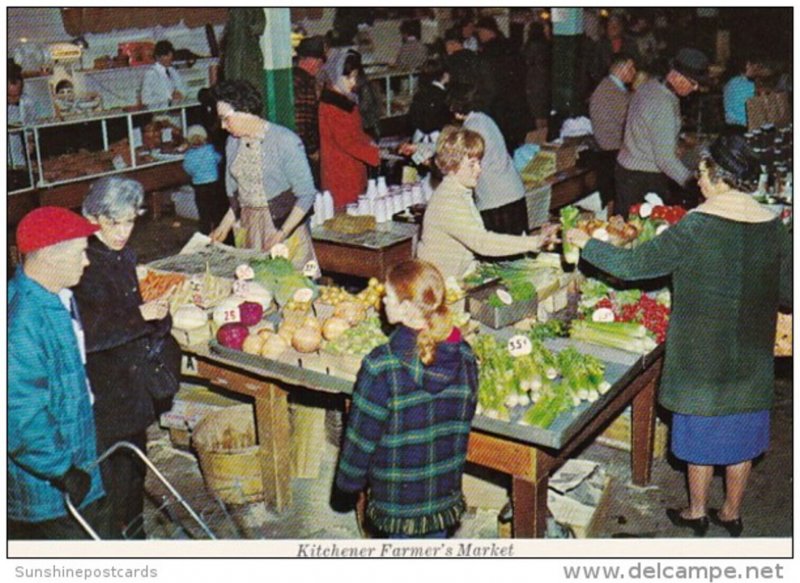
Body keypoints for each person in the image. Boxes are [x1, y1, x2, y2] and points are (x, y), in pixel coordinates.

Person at [566, 134, 793, 538]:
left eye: (702, 173)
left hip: (700, 360)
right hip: (751, 358)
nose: (698, 181)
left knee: (701, 438)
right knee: (742, 436)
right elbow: (788, 292)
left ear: (717, 175)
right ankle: (732, 512)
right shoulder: (775, 229)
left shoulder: (697, 226)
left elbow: (635, 265)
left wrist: (587, 246)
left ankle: (696, 511)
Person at [335, 259, 479, 538]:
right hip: (443, 493)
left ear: (404, 309)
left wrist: (348, 483)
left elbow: (361, 437)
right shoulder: (465, 356)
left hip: (396, 500)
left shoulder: (380, 365)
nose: (382, 301)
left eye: (387, 296)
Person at [72, 177, 181, 539]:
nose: (122, 232)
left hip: (131, 381)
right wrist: (142, 317)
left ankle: (135, 537)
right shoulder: (82, 264)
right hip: (106, 387)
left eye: (129, 221)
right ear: (93, 218)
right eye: (112, 222)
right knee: (116, 476)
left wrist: (158, 318)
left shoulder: (123, 255)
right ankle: (120, 546)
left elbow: (133, 311)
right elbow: (89, 333)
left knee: (135, 467)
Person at [9, 207, 115, 540]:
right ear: (50, 257)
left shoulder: (53, 298)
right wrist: (62, 470)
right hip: (48, 493)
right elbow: (19, 417)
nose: (87, 261)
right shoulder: (21, 325)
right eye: (80, 252)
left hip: (77, 463)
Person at [209, 80, 319, 273]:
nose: (223, 126)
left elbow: (307, 194)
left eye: (225, 118)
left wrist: (282, 233)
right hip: (248, 226)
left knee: (289, 286)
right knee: (252, 288)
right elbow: (237, 196)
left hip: (282, 225)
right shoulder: (232, 143)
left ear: (245, 112)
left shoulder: (285, 140)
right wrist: (224, 226)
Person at [417, 127, 554, 281]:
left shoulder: (459, 191)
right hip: (438, 284)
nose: (479, 170)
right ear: (452, 165)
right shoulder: (448, 200)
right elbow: (482, 242)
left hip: (453, 278)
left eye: (479, 163)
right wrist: (535, 242)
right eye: (472, 164)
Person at [615, 48, 709, 216]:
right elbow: (665, 160)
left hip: (626, 171)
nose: (695, 89)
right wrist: (694, 184)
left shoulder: (650, 85)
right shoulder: (663, 103)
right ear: (677, 77)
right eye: (693, 83)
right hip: (643, 179)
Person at [448, 82, 528, 236]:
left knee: (501, 253)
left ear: (454, 109)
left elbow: (464, 164)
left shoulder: (470, 128)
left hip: (495, 198)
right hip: (514, 190)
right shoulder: (484, 119)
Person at [319, 50, 380, 210]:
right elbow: (346, 141)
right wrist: (375, 155)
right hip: (340, 174)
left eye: (355, 77)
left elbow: (357, 133)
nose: (353, 82)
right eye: (349, 77)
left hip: (352, 170)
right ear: (336, 76)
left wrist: (371, 143)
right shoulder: (330, 106)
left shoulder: (346, 101)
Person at [474, 16, 531, 150]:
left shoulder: (487, 52)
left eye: (480, 32)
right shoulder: (511, 45)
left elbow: (489, 83)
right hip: (517, 100)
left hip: (500, 105)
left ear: (486, 31)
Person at [588, 54, 637, 210]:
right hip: (611, 155)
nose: (634, 72)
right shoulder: (610, 91)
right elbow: (632, 120)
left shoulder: (614, 88)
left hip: (613, 152)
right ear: (620, 69)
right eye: (631, 68)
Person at [293, 36, 326, 184]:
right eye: (319, 62)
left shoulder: (291, 77)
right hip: (303, 152)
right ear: (313, 61)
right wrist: (313, 150)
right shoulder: (306, 83)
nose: (320, 66)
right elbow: (302, 121)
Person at [182, 125, 225, 235]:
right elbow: (219, 159)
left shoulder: (188, 155)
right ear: (204, 138)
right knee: (215, 209)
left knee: (203, 210)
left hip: (199, 186)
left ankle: (205, 232)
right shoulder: (210, 150)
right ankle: (217, 230)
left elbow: (188, 169)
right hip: (213, 184)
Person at [409, 59, 451, 146]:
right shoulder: (444, 96)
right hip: (437, 139)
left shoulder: (420, 94)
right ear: (445, 75)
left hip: (418, 137)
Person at [523, 21, 552, 132]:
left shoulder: (530, 46)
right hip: (544, 82)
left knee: (537, 116)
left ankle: (539, 138)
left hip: (533, 82)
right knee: (543, 115)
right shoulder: (547, 45)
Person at [141, 40, 188, 109]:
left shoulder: (173, 71)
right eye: (166, 56)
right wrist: (168, 98)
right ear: (157, 57)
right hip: (160, 113)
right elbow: (145, 99)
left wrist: (181, 93)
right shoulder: (151, 74)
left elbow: (184, 87)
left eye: (170, 55)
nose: (170, 58)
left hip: (177, 112)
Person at [723, 58, 763, 132]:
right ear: (747, 65)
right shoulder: (748, 85)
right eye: (755, 66)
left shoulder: (729, 82)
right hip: (745, 126)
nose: (756, 69)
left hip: (731, 125)